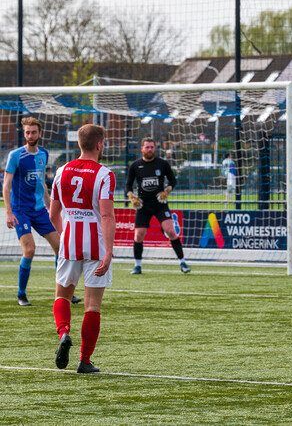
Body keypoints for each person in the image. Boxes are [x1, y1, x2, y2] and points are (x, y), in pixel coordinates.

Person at [49, 124, 116, 373]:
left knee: (62, 296)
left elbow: (53, 213)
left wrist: (64, 235)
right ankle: (84, 360)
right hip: (95, 243)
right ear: (99, 144)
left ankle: (64, 333)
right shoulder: (104, 174)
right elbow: (107, 216)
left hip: (69, 240)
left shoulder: (61, 171)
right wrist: (108, 252)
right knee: (92, 306)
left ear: (79, 144)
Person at [3, 117, 62, 306]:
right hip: (21, 211)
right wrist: (9, 212)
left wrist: (50, 206)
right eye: (27, 132)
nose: (30, 135)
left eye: (33, 132)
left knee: (60, 249)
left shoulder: (43, 154)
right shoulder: (15, 155)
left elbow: (41, 184)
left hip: (39, 210)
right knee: (29, 250)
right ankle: (21, 294)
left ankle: (61, 292)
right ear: (24, 133)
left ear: (40, 133)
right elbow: (6, 186)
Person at [125, 138, 190, 274]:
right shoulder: (135, 165)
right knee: (138, 236)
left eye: (152, 147)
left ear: (155, 148)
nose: (150, 149)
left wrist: (167, 190)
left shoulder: (162, 164)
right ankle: (137, 265)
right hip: (143, 205)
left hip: (160, 204)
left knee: (171, 231)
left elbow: (173, 180)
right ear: (142, 149)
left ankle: (183, 262)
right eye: (147, 147)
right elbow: (128, 185)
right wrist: (131, 197)